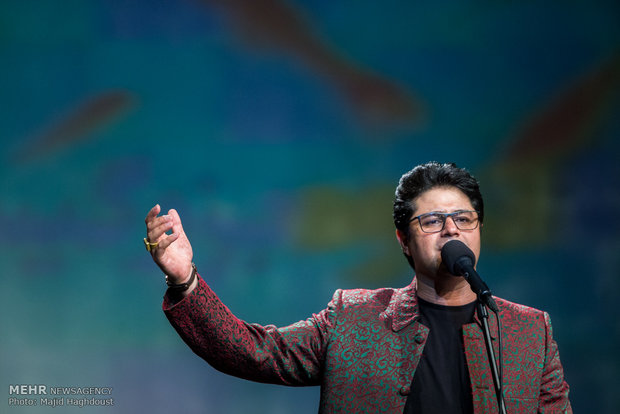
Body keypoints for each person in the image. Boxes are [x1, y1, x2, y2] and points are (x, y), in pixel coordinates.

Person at [144, 161, 571, 413]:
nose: (451, 230)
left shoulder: (529, 332)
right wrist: (184, 280)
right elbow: (253, 351)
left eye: (464, 219)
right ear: (403, 239)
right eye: (432, 221)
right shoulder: (353, 318)